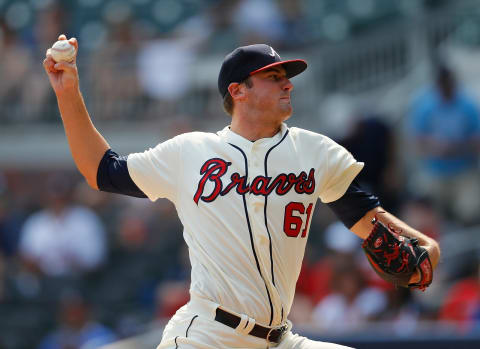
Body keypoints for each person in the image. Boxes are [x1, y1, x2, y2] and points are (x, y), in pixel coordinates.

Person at [43, 34, 441, 348]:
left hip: (280, 338)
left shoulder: (315, 151)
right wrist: (67, 93)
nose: (288, 84)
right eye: (274, 77)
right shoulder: (192, 152)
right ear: (238, 91)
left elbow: (369, 221)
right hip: (206, 336)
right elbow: (102, 170)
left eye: (287, 77)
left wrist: (425, 244)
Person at [409, 64, 480, 225]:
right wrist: (434, 146)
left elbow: (477, 140)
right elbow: (417, 142)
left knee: (470, 210)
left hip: (464, 170)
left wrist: (456, 147)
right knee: (420, 211)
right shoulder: (426, 106)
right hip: (435, 171)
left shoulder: (467, 105)